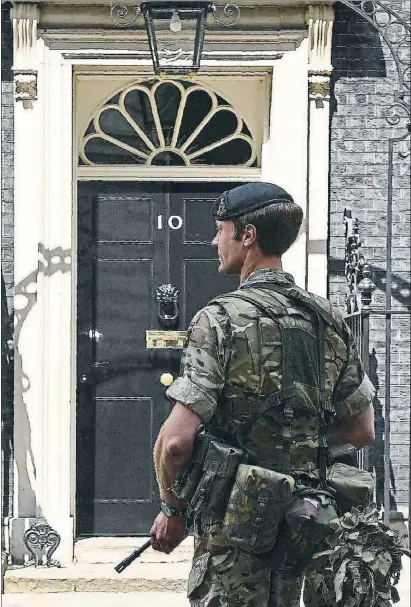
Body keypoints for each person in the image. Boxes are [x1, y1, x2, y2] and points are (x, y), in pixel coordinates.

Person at [150, 182, 375, 607]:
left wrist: (173, 511)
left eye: (220, 229)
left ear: (247, 235)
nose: (215, 241)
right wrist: (299, 446)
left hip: (236, 537)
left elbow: (176, 443)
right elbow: (362, 429)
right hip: (312, 527)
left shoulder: (217, 321)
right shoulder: (329, 319)